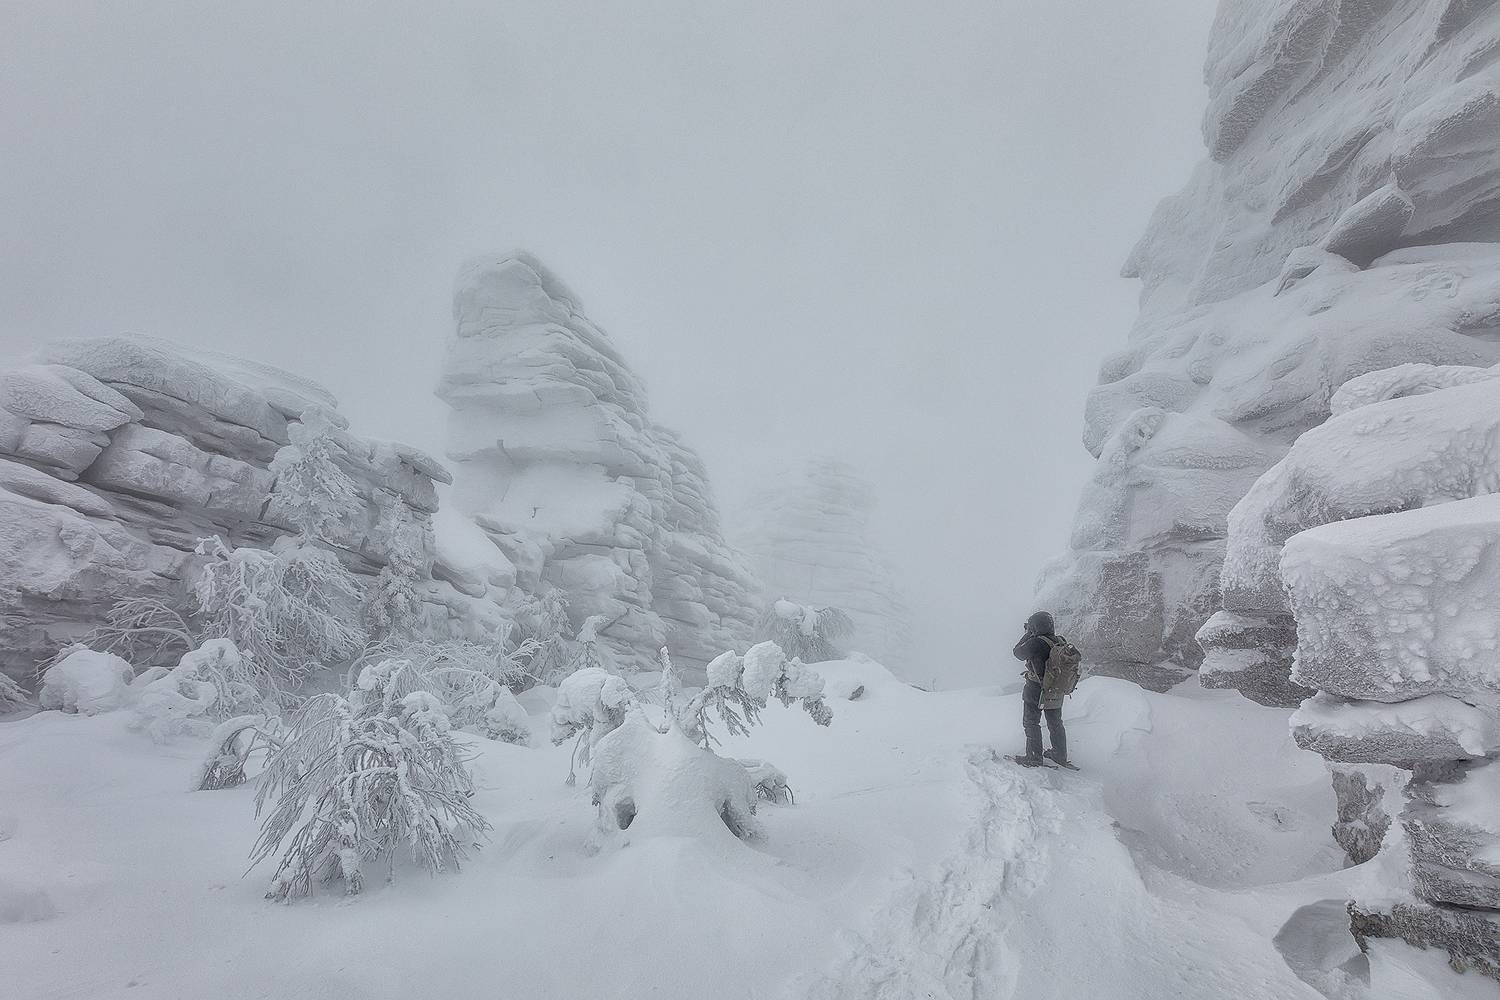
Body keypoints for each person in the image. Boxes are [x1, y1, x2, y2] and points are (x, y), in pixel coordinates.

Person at [1011, 610, 1068, 768]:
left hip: (1035, 687)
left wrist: (1028, 633)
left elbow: (1017, 652)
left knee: (1031, 722)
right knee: (1055, 722)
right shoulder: (1059, 640)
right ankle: (1059, 754)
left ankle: (1034, 757)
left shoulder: (1035, 642)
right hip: (1056, 688)